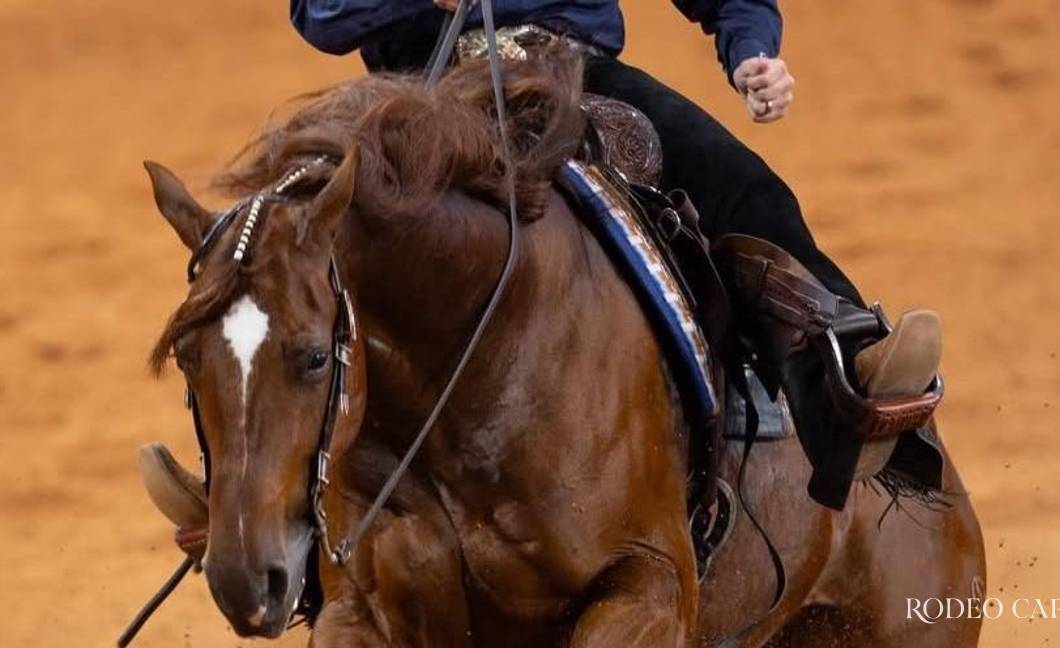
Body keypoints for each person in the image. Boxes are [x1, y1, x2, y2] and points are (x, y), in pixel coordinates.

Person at [142, 1, 944, 529]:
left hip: (571, 80)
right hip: (418, 95)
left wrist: (751, 48)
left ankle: (845, 376)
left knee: (740, 185)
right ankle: (249, 495)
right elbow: (320, 10)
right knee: (295, 224)